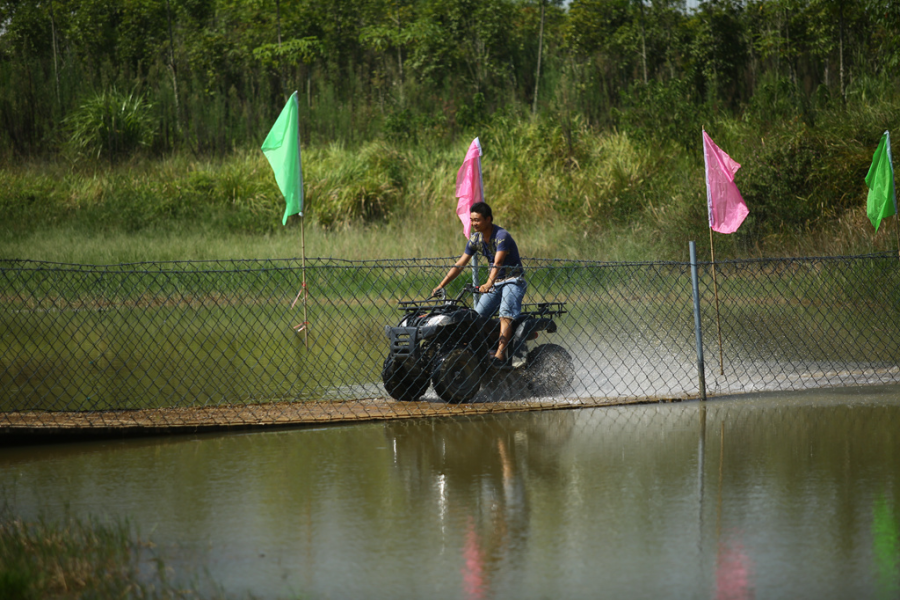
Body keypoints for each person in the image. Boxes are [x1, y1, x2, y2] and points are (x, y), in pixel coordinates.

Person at [433, 202, 526, 367]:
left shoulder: (501, 235)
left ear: (488, 219)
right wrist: (441, 285)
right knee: (475, 318)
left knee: (505, 314)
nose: (474, 223)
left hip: (513, 280)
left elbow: (498, 261)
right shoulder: (475, 238)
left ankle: (500, 355)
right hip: (495, 282)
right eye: (472, 220)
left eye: (477, 220)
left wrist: (488, 283)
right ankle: (482, 352)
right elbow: (460, 263)